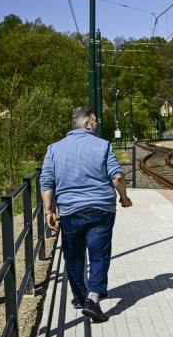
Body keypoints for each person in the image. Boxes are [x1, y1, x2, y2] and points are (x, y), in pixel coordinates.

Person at [40, 106, 133, 322]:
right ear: (87, 124)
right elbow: (117, 177)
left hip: (70, 211)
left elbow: (46, 181)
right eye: (95, 122)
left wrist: (48, 211)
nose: (97, 126)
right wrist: (124, 198)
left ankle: (80, 297)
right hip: (101, 210)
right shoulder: (102, 146)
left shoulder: (54, 149)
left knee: (73, 256)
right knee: (99, 255)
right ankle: (93, 299)